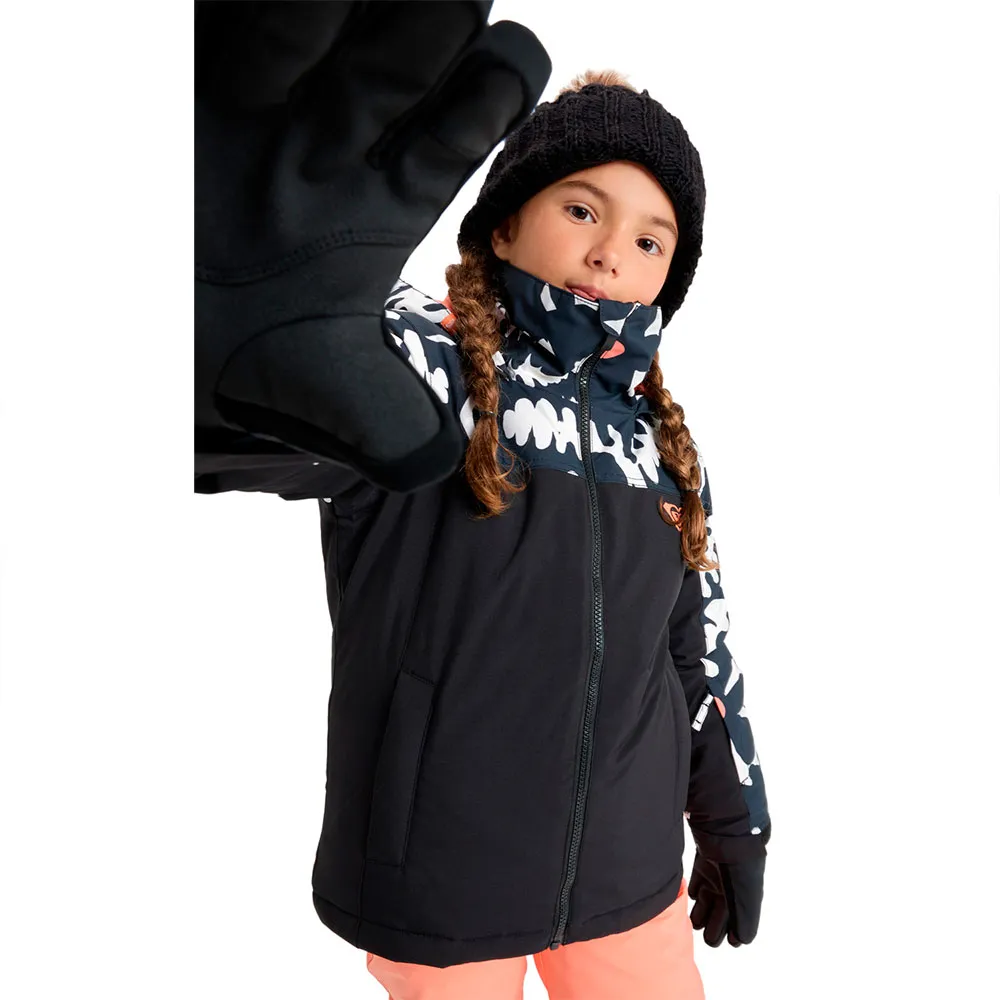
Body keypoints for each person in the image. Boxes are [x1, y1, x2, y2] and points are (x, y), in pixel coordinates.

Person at [197, 59, 771, 1000]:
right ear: (505, 223)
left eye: (650, 239)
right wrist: (218, 346)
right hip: (444, 876)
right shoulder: (416, 365)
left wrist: (735, 822)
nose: (611, 254)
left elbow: (699, 647)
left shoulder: (661, 442)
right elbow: (260, 429)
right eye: (582, 210)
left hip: (630, 875)